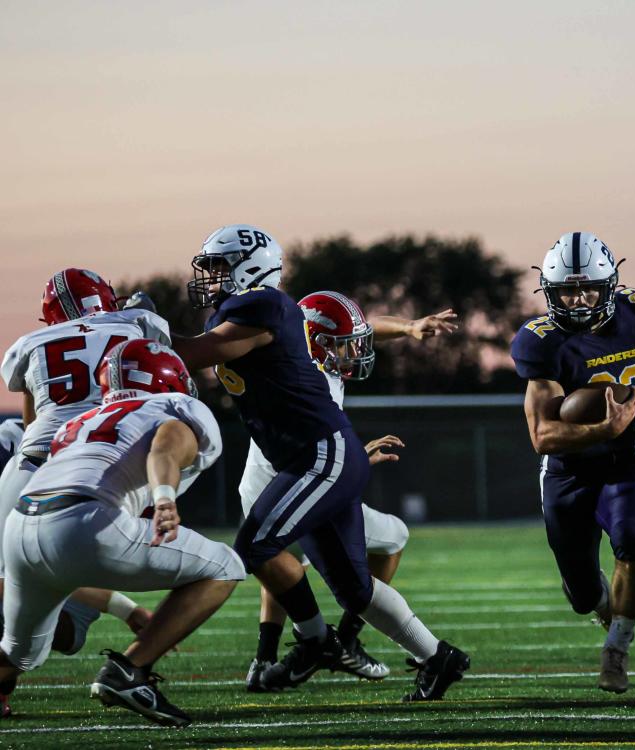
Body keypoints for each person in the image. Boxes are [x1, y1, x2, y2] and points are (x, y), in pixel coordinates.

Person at [172, 224, 469, 701]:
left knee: (266, 552)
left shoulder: (267, 310)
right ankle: (433, 656)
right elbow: (204, 351)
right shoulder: (274, 324)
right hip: (298, 464)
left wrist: (138, 331)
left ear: (249, 269)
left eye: (219, 267)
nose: (210, 276)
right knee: (342, 582)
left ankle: (319, 643)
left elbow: (194, 353)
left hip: (315, 461)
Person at [0, 339, 243, 726]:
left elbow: (62, 558)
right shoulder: (174, 406)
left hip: (21, 526)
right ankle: (130, 670)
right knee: (225, 566)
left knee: (20, 655)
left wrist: (123, 608)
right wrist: (164, 497)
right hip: (86, 520)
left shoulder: (78, 422)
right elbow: (163, 449)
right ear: (168, 378)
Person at [511, 231, 635, 693]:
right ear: (549, 292)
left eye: (587, 288)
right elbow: (542, 436)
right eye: (566, 291)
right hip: (567, 472)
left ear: (610, 284)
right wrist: (601, 428)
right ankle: (600, 609)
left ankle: (616, 649)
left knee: (632, 543)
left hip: (622, 461)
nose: (577, 300)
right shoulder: (542, 343)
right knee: (581, 594)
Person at [242, 289, 457, 691]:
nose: (354, 351)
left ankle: (272, 655)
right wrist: (350, 458)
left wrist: (409, 327)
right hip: (291, 482)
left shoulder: (300, 357)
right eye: (344, 345)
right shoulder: (309, 378)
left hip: (272, 485)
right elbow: (306, 442)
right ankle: (335, 642)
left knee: (282, 561)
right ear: (316, 343)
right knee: (366, 561)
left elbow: (361, 330)